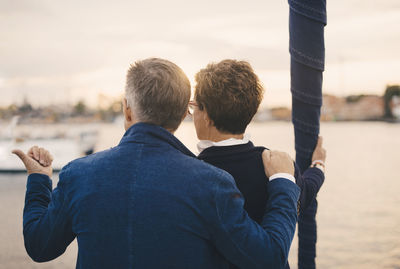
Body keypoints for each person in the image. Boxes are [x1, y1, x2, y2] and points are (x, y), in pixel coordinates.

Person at [13, 58, 300, 269]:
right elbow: (269, 257)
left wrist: (39, 180)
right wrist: (283, 183)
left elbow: (39, 246)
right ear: (182, 113)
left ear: (127, 109)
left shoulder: (79, 174)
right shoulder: (211, 183)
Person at [189, 59, 326, 268]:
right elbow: (305, 191)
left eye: (194, 107)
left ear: (206, 115)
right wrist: (318, 164)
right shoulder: (277, 166)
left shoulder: (190, 175)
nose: (193, 115)